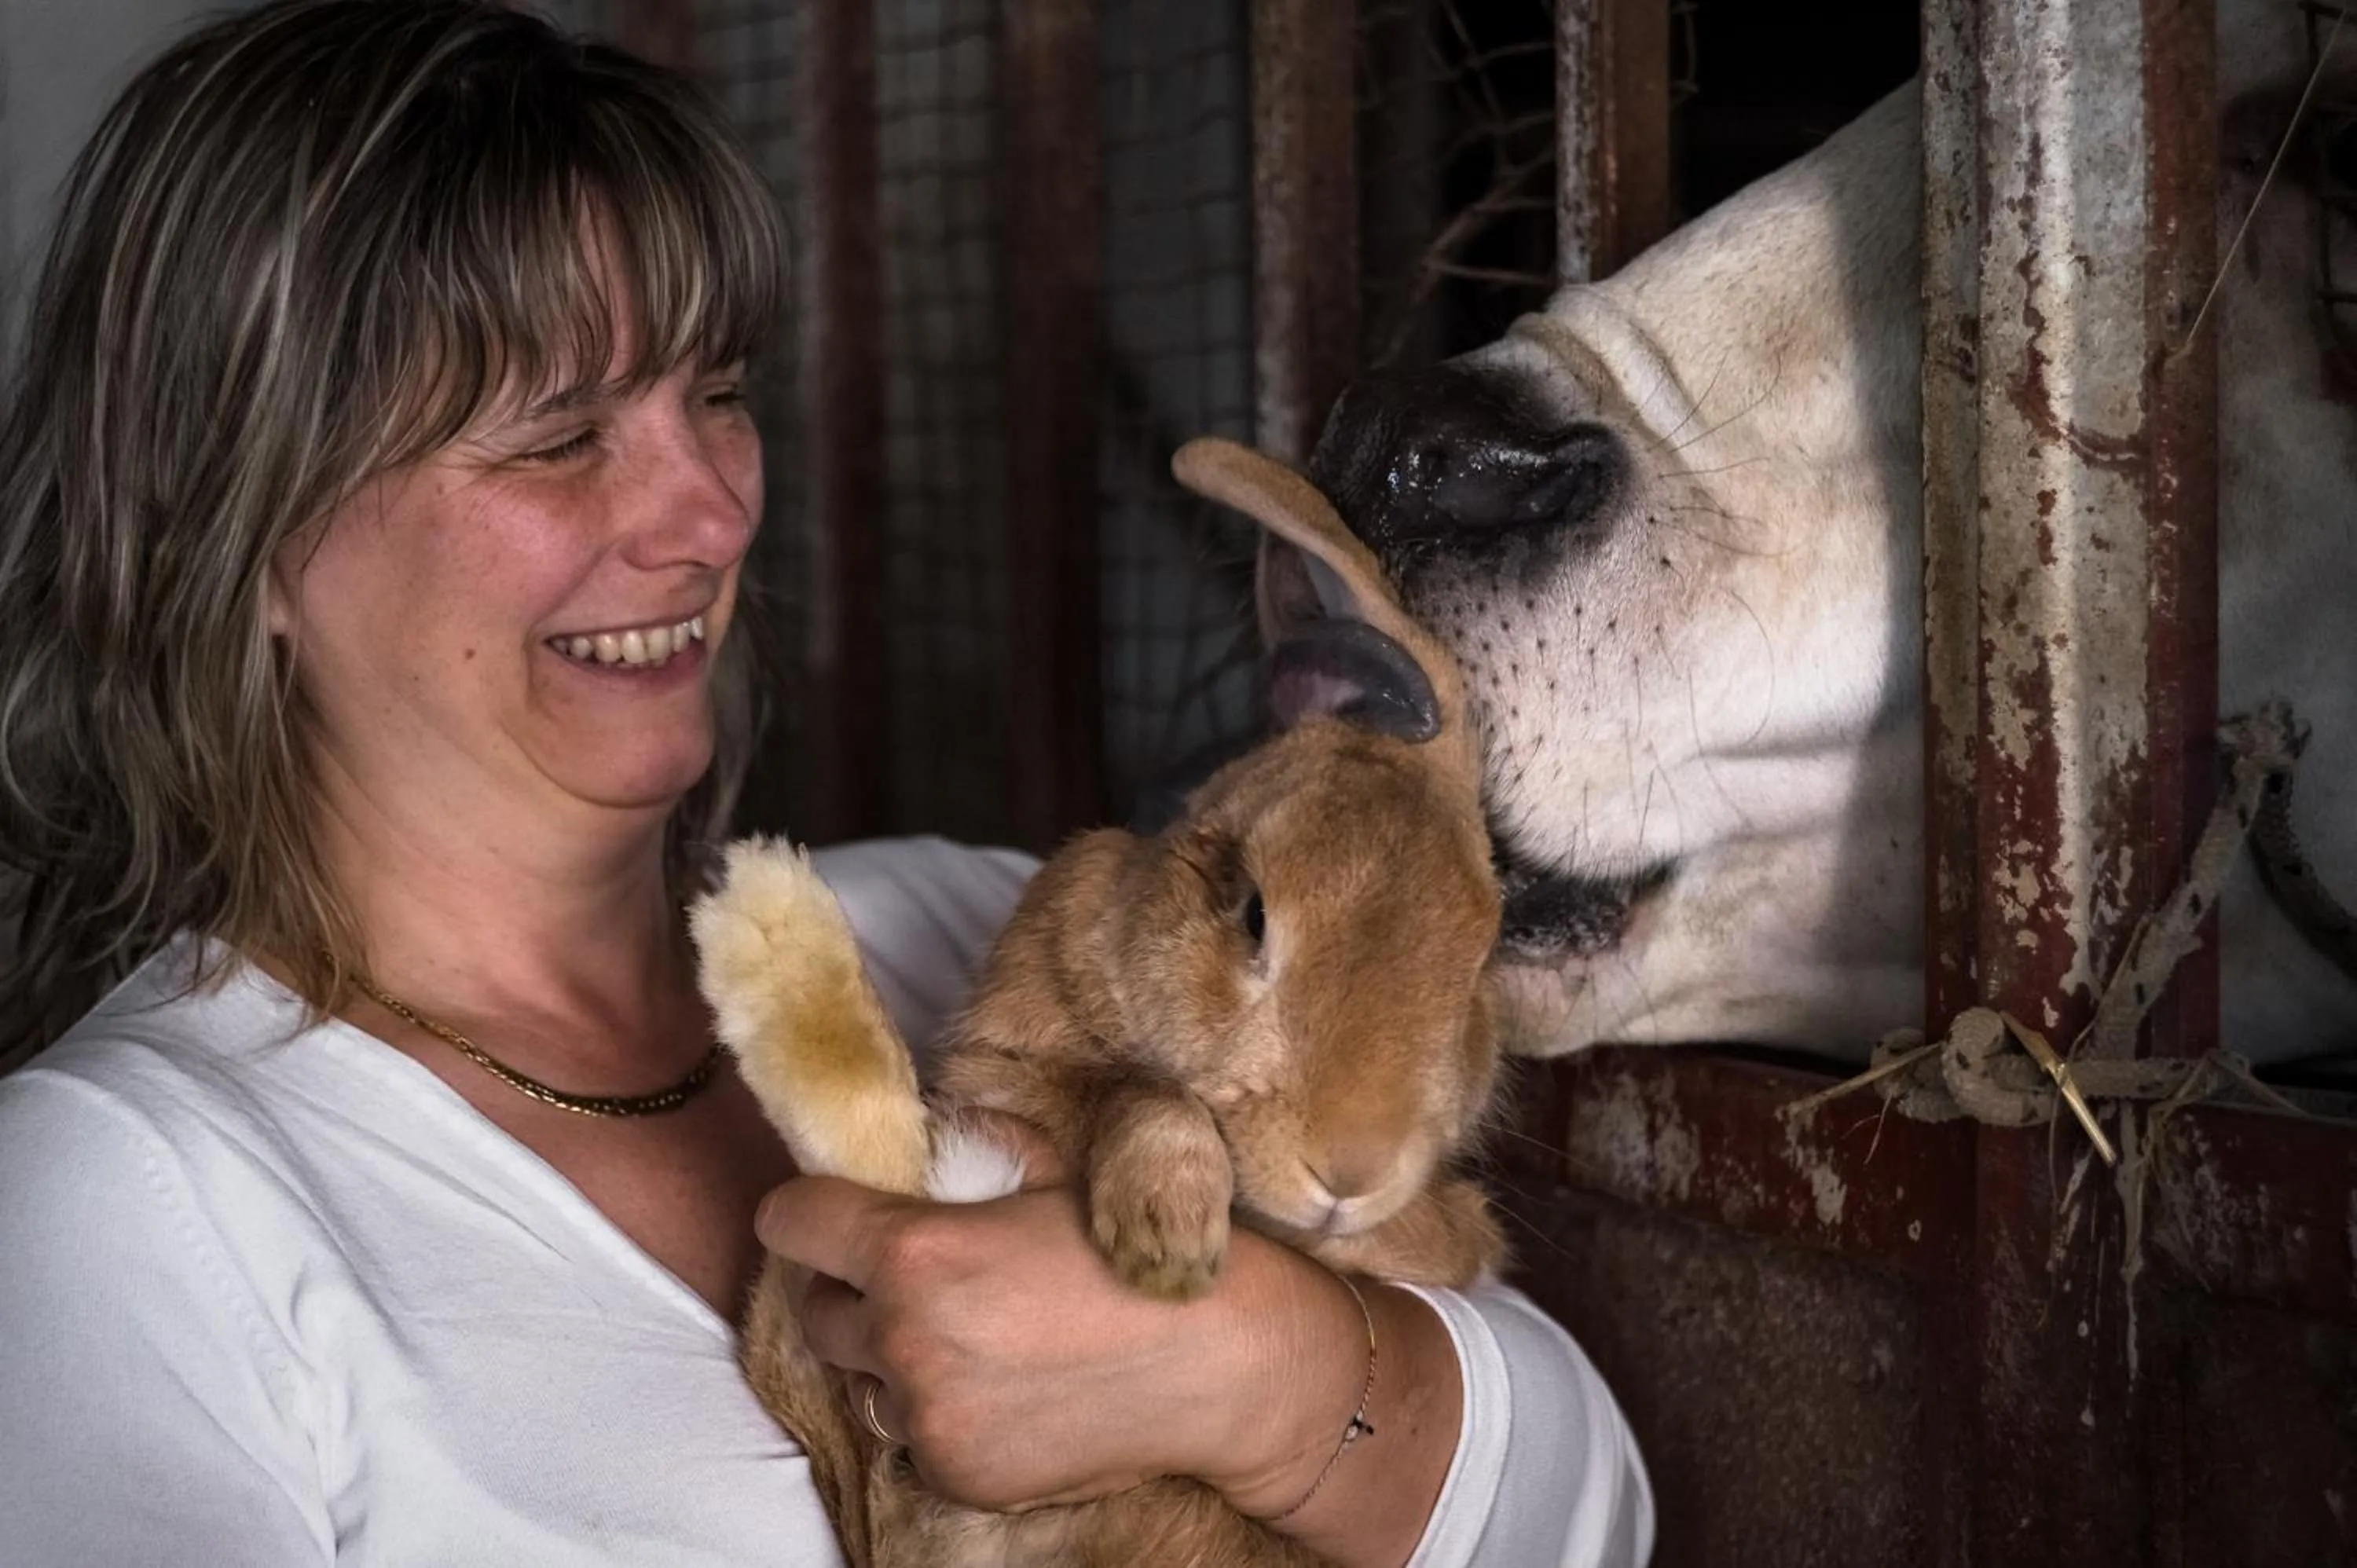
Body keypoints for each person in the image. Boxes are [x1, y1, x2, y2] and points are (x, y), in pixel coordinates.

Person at [0, 3, 1654, 1565]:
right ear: (243, 531)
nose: (709, 508)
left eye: (714, 391)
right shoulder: (119, 1205)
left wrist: (1280, 1391)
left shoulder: (973, 929)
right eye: (559, 436)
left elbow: (1601, 1514)